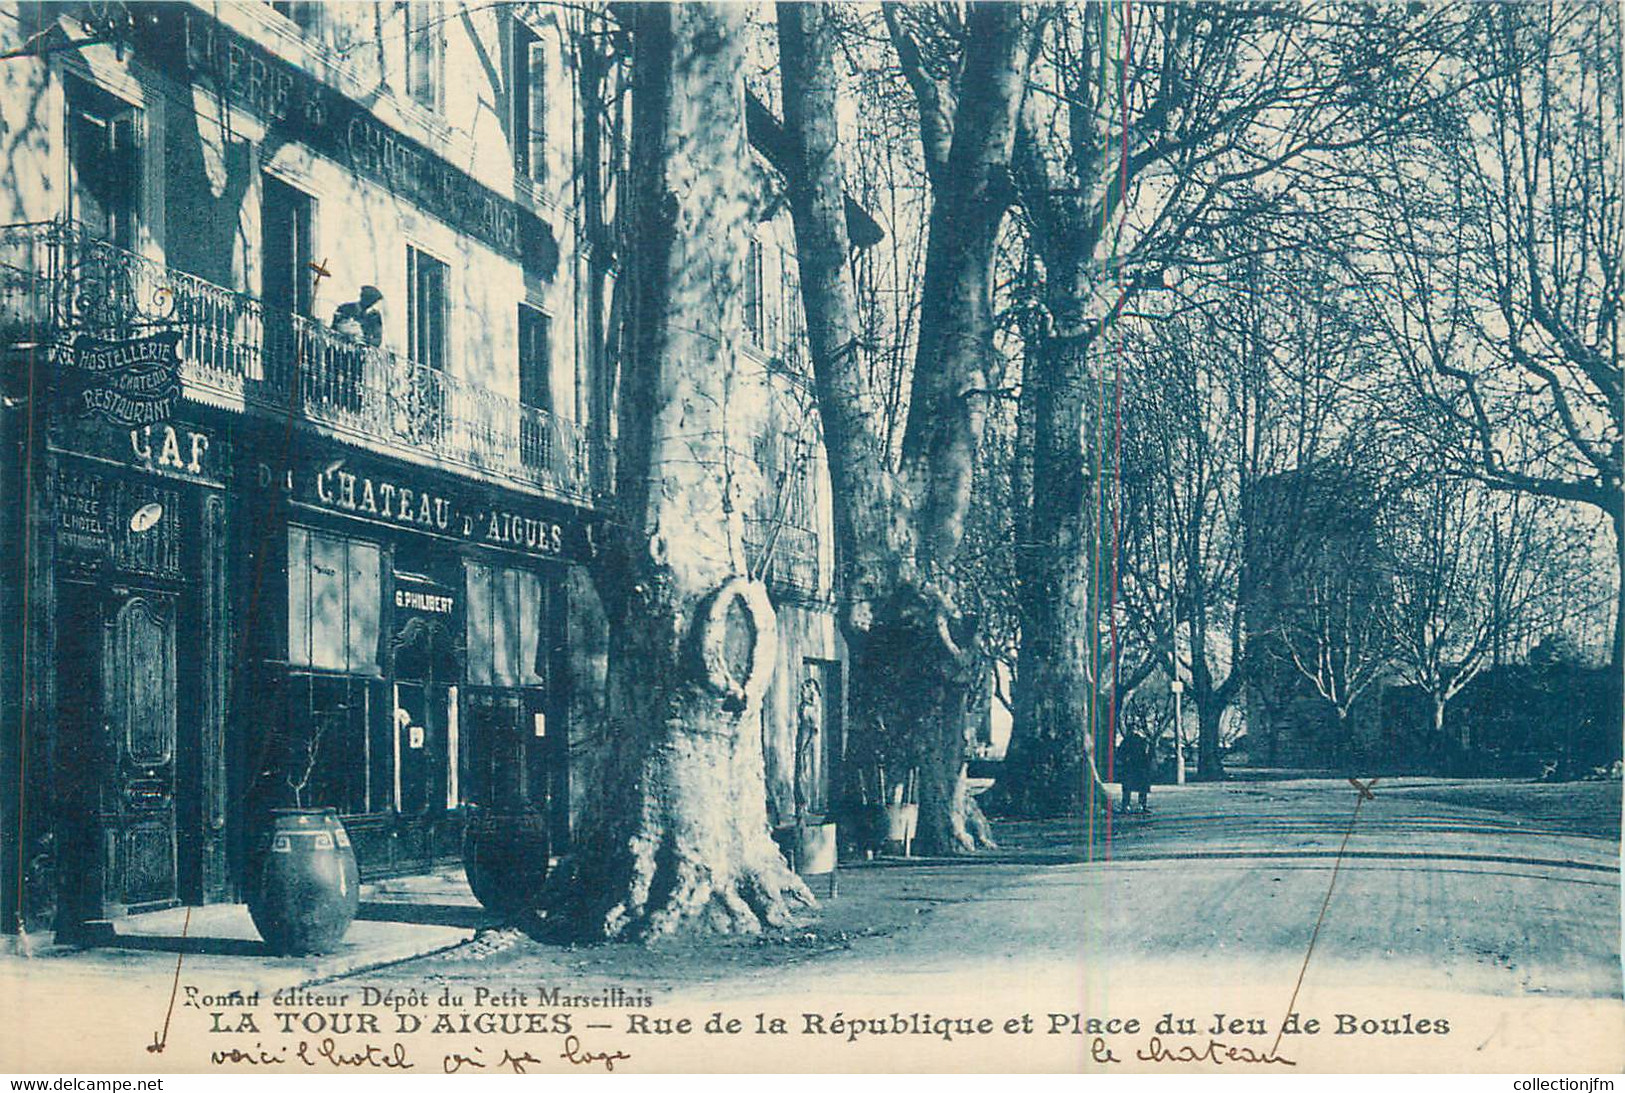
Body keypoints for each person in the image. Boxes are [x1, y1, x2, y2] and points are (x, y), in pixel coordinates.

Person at [1115, 728, 1153, 814]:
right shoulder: (1143, 741)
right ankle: (1141, 806)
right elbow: (1148, 754)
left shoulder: (1127, 741)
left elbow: (1120, 754)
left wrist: (1124, 760)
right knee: (1140, 787)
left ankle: (1126, 806)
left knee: (1128, 787)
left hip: (1132, 767)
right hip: (1139, 767)